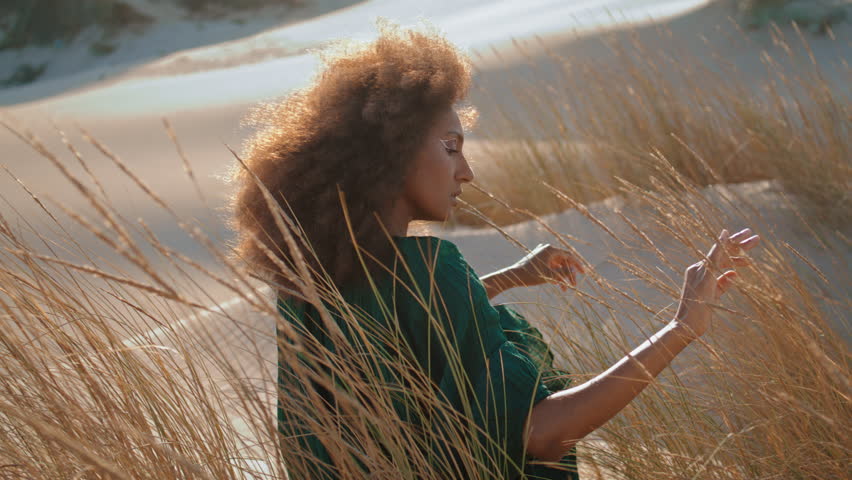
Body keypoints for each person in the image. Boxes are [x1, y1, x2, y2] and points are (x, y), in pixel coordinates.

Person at [227, 25, 760, 479]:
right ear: (389, 153)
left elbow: (410, 340)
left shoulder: (313, 278)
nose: (467, 171)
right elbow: (541, 434)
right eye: (450, 147)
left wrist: (507, 278)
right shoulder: (430, 269)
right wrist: (682, 327)